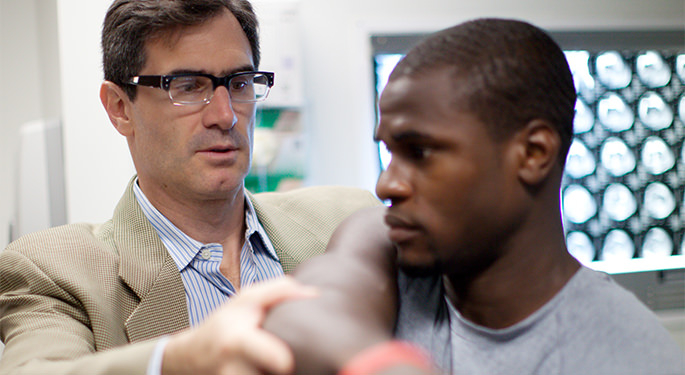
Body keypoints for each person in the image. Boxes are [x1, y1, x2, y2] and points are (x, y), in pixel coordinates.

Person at [264, 18, 685, 375]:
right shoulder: (384, 245)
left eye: (420, 152)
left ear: (533, 153)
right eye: (390, 153)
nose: (387, 185)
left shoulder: (631, 356)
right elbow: (299, 315)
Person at [0, 1, 379, 374]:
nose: (225, 115)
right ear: (119, 107)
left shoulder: (346, 224)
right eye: (188, 86)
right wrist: (178, 360)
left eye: (240, 83)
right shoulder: (55, 271)